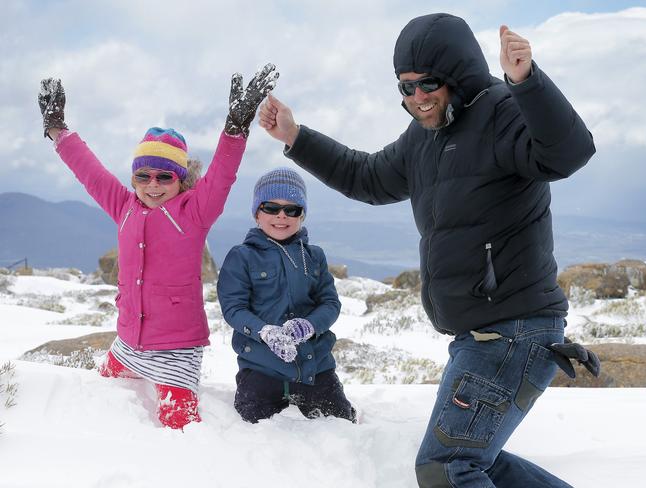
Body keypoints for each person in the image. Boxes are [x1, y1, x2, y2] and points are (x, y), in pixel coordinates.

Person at [259, 13, 600, 488]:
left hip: (513, 331)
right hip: (479, 337)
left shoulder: (502, 111)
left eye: (429, 83)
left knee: (448, 468)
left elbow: (569, 152)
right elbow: (367, 177)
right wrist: (297, 138)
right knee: (478, 461)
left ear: (457, 75)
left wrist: (525, 81)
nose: (417, 97)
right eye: (405, 87)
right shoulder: (424, 138)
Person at [37, 64, 279, 430]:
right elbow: (90, 171)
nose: (152, 185)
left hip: (176, 350)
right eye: (143, 176)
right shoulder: (123, 207)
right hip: (127, 344)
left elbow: (222, 176)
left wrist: (235, 131)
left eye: (164, 176)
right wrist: (57, 130)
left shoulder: (194, 211)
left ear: (180, 179)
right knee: (97, 397)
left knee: (178, 429)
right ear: (133, 177)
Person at [217, 167, 355, 424]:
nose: (281, 216)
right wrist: (265, 332)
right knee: (251, 430)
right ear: (257, 213)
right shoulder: (242, 257)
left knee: (343, 425)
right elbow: (233, 308)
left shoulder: (314, 256)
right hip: (261, 368)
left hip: (315, 367)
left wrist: (310, 325)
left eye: (292, 209)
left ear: (302, 216)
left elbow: (330, 302)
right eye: (271, 207)